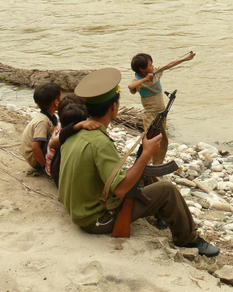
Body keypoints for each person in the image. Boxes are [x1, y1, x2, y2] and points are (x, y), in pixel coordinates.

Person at [58, 68, 218, 257]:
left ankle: (162, 216)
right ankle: (188, 239)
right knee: (167, 189)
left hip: (79, 210)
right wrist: (146, 154)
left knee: (143, 174)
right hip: (95, 220)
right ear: (113, 108)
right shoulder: (100, 143)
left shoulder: (77, 129)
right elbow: (119, 190)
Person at [128, 51, 195, 165]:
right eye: (150, 65)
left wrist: (184, 59)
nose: (153, 66)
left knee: (162, 140)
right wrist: (145, 80)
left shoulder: (156, 72)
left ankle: (157, 164)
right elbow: (130, 86)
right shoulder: (138, 81)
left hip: (161, 114)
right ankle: (145, 164)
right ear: (142, 69)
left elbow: (169, 65)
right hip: (150, 115)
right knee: (150, 140)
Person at [48, 102, 102, 186]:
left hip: (57, 175)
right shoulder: (68, 140)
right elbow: (52, 144)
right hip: (64, 182)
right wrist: (78, 126)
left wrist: (76, 127)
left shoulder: (64, 134)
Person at [20, 82, 62, 172]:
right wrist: (45, 166)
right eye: (62, 97)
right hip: (35, 160)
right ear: (56, 102)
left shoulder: (49, 116)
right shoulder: (43, 122)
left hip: (36, 154)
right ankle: (46, 165)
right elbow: (35, 147)